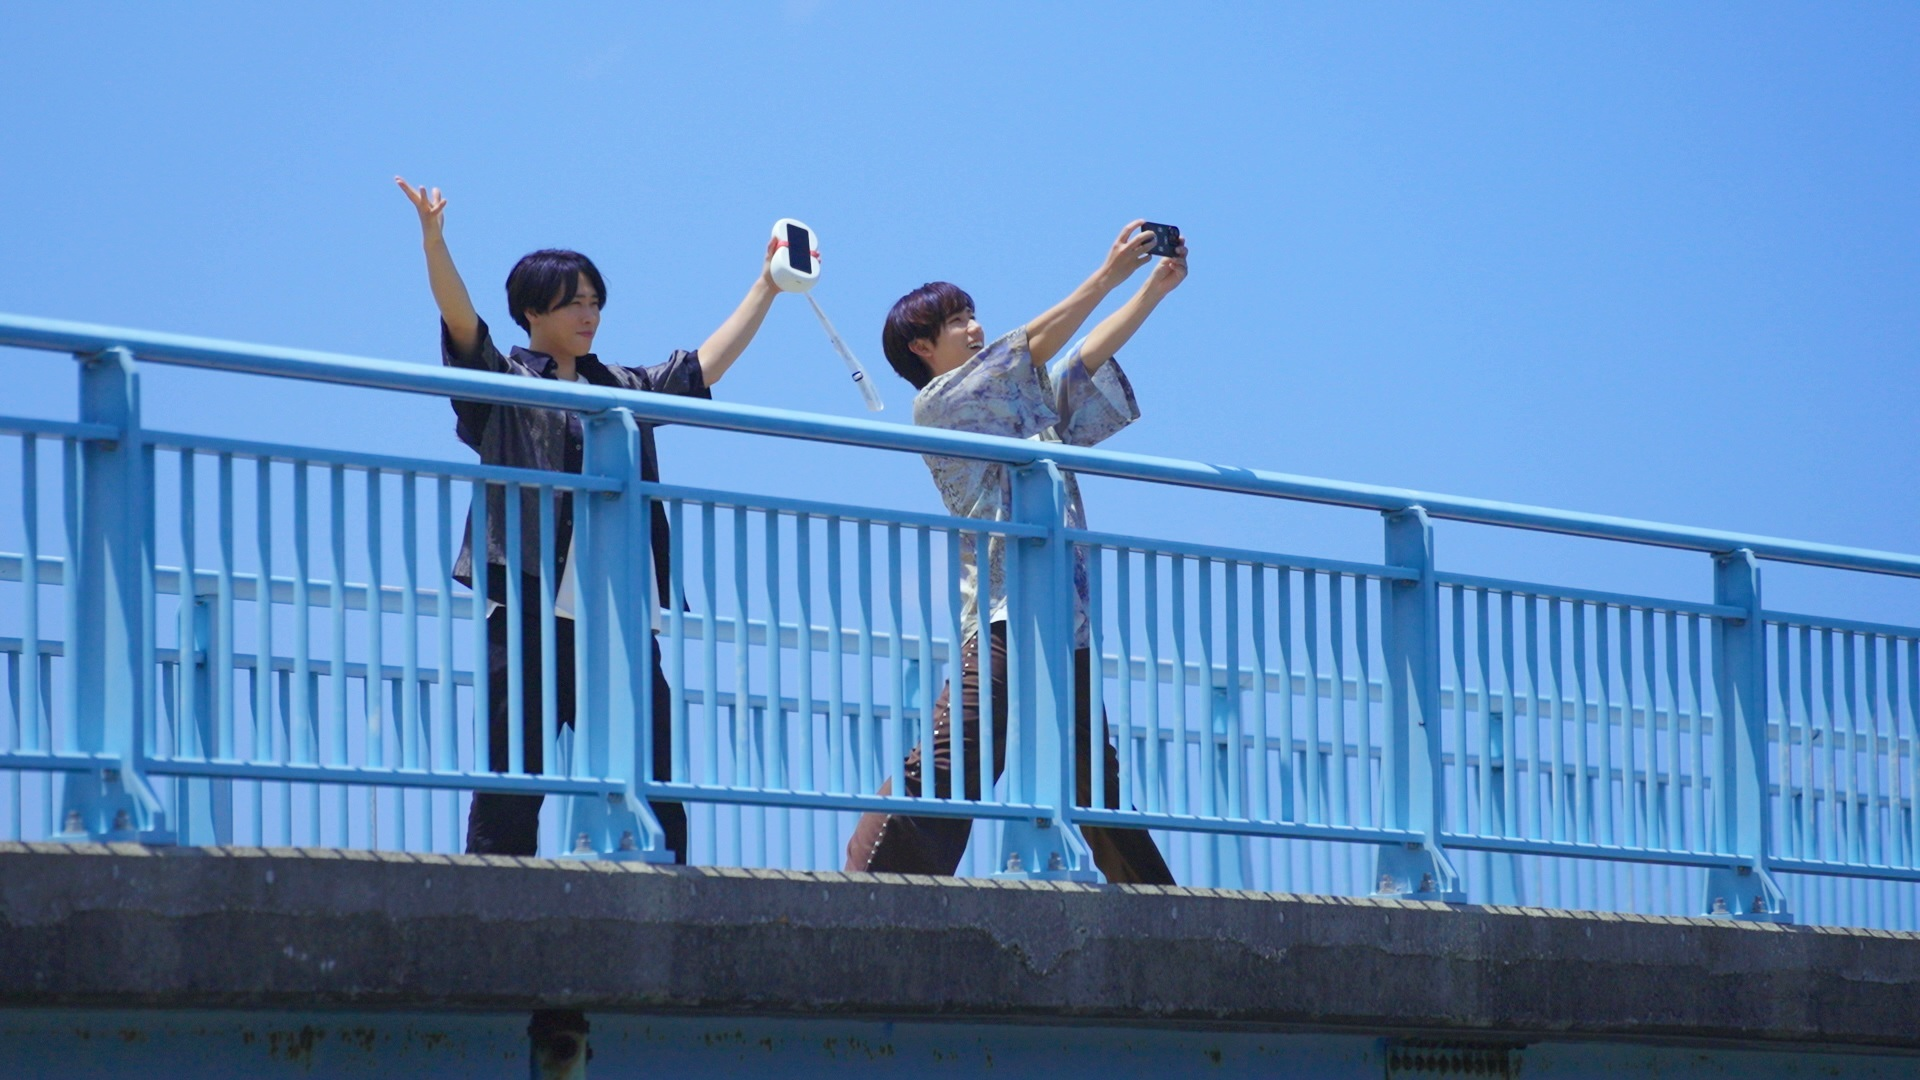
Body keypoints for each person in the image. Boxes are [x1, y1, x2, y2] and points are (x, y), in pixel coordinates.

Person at [397, 177, 784, 859]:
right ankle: (493, 897)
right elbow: (463, 325)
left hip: (621, 617)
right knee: (514, 779)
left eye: (595, 301)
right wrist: (434, 241)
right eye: (572, 302)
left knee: (654, 778)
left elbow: (700, 368)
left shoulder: (621, 389)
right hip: (528, 613)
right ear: (531, 311)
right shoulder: (504, 385)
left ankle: (668, 893)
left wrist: (767, 287)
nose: (589, 314)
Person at [847, 221, 1187, 883]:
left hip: (1065, 620)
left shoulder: (1020, 410)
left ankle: (1157, 909)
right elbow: (1031, 348)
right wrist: (1109, 273)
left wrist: (1153, 291)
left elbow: (1076, 366)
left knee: (1094, 780)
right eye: (956, 322)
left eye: (974, 316)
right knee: (958, 756)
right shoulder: (939, 404)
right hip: (1004, 615)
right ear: (921, 346)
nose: (974, 328)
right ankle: (870, 880)